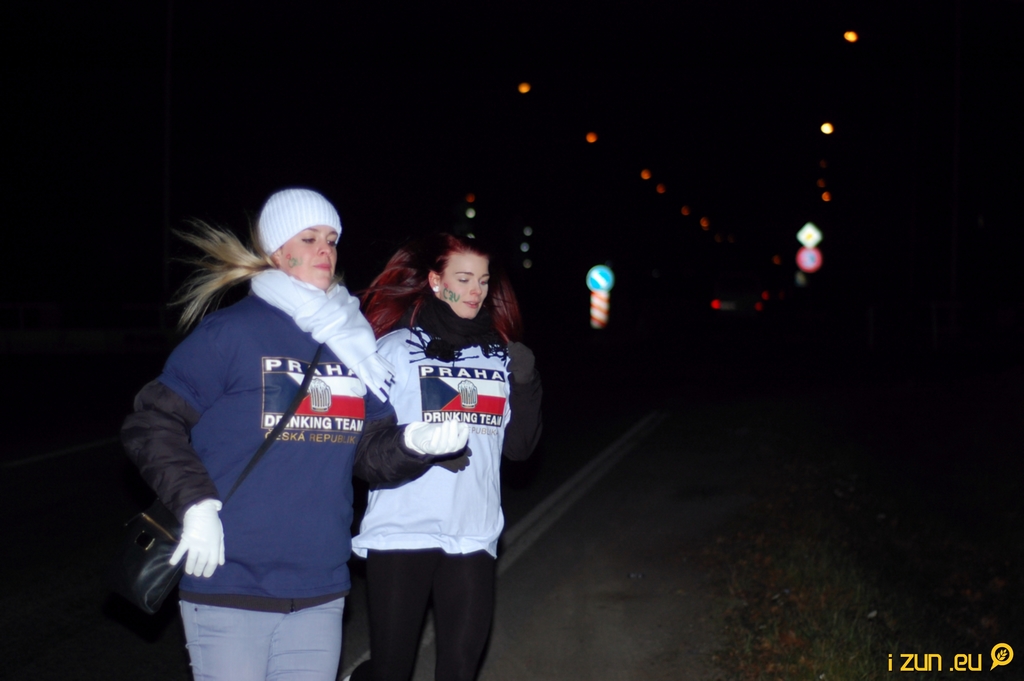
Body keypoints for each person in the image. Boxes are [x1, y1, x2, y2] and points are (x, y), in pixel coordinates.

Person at [121, 189, 469, 681]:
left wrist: (415, 444)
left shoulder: (351, 343)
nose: (325, 249)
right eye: (309, 239)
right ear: (276, 251)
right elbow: (151, 421)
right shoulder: (232, 332)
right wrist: (195, 504)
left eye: (331, 239)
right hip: (231, 579)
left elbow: (368, 453)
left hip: (320, 587)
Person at [347, 233, 544, 681]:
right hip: (402, 533)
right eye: (464, 278)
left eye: (484, 281)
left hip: (473, 534)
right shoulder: (394, 351)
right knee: (391, 672)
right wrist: (422, 450)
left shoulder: (498, 358)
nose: (476, 291)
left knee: (459, 670)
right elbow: (365, 454)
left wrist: (526, 383)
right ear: (436, 282)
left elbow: (520, 449)